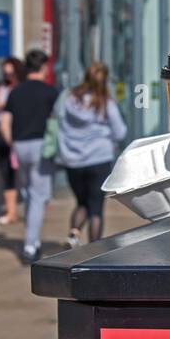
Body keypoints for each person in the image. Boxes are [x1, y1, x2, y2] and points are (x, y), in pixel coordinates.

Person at [54, 60, 126, 245]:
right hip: (98, 160)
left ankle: (73, 233)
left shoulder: (69, 99)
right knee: (95, 209)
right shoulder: (105, 102)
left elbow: (58, 122)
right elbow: (120, 132)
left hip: (72, 161)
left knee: (81, 203)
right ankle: (94, 249)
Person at [3, 48, 60, 263]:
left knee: (28, 193)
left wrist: (13, 144)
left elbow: (4, 124)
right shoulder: (50, 92)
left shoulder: (15, 92)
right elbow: (58, 122)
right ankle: (30, 246)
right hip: (41, 147)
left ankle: (32, 239)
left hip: (20, 145)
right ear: (43, 67)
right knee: (38, 196)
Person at [0, 56, 23, 224]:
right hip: (2, 136)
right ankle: (11, 210)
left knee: (23, 174)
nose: (8, 76)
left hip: (19, 134)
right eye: (5, 73)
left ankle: (25, 209)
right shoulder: (3, 88)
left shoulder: (21, 89)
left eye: (11, 73)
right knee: (7, 172)